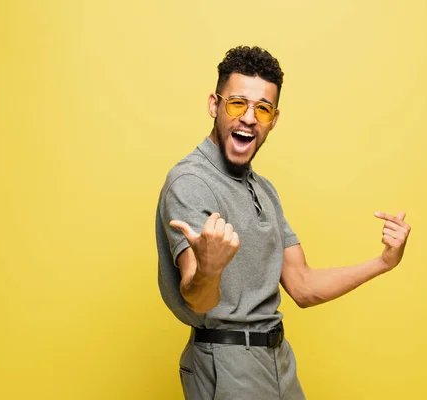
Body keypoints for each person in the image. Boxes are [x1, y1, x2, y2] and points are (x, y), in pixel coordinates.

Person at [155, 45, 411, 400]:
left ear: (273, 120)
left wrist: (384, 262)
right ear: (214, 105)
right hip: (227, 364)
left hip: (276, 360)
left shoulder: (263, 189)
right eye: (237, 103)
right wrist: (208, 270)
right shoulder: (192, 183)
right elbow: (198, 300)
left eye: (262, 108)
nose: (248, 117)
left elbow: (302, 286)